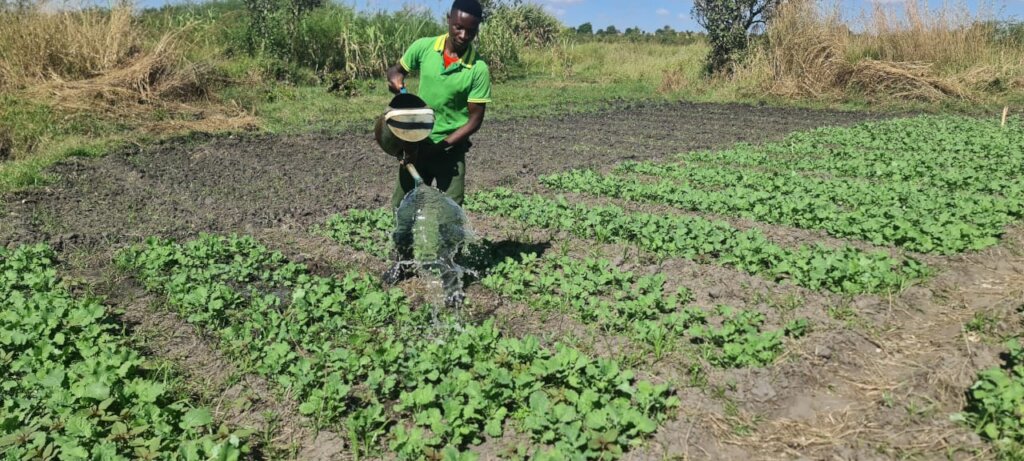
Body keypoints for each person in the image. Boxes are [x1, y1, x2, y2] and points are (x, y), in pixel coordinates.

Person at [382, 0, 491, 285]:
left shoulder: (477, 69)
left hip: (449, 151)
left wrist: (439, 146)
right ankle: (402, 263)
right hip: (415, 146)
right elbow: (396, 71)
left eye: (471, 30)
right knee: (403, 207)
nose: (463, 36)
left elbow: (474, 121)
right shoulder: (424, 48)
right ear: (448, 20)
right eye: (458, 27)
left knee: (450, 215)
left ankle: (447, 267)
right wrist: (399, 86)